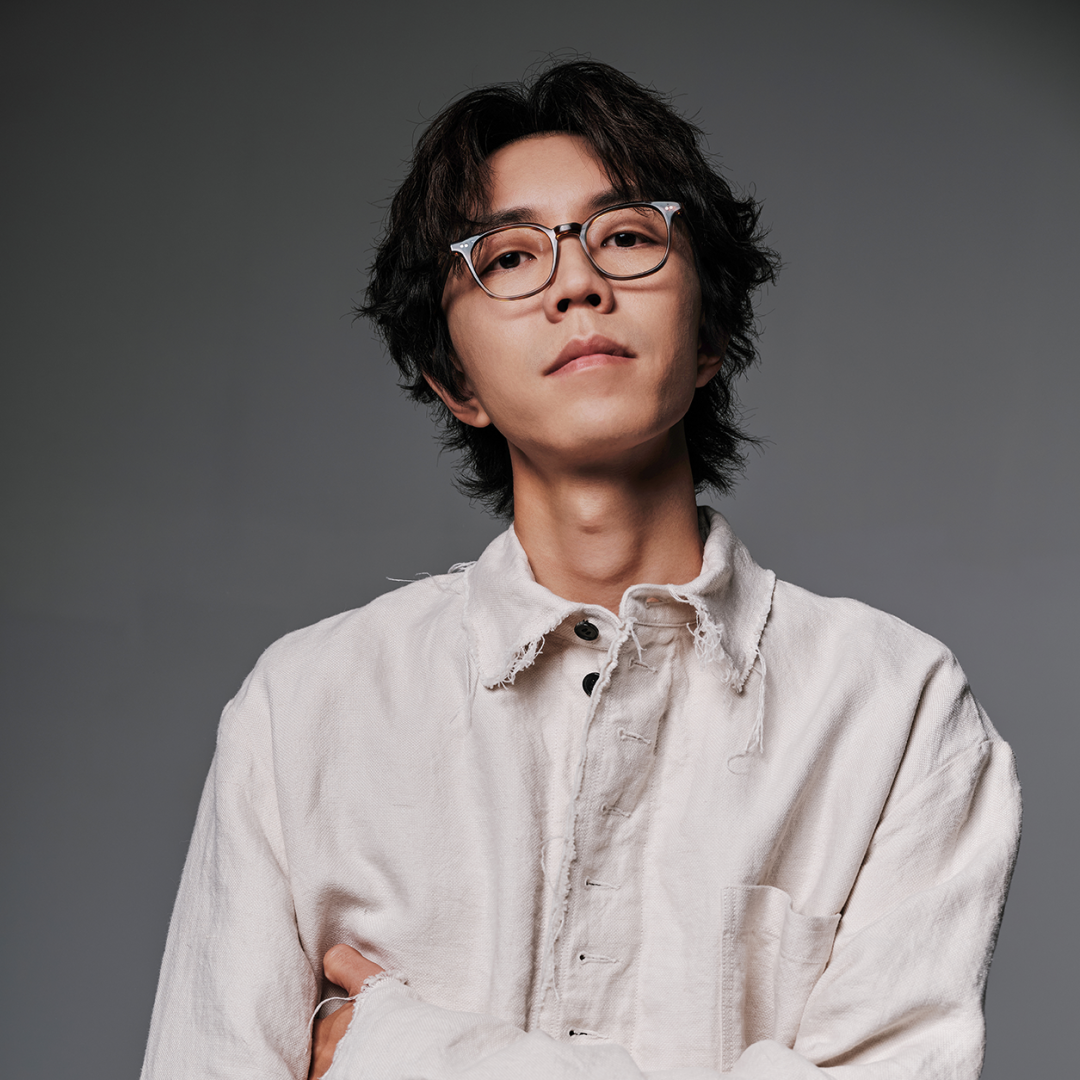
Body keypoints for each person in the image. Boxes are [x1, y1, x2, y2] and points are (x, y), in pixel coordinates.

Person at [140, 61, 1020, 1080]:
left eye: (629, 237)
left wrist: (407, 1053)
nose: (577, 284)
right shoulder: (305, 712)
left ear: (710, 335)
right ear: (454, 381)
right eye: (510, 257)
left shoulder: (897, 708)